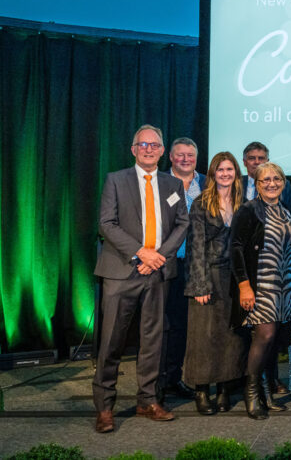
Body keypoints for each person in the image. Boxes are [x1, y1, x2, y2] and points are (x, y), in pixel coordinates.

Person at [92, 125, 189, 433]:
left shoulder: (173, 184)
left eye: (155, 145)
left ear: (162, 151)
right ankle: (105, 408)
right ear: (133, 150)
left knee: (153, 341)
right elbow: (107, 223)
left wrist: (158, 256)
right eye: (143, 144)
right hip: (122, 271)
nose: (149, 149)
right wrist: (140, 253)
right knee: (111, 341)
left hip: (158, 272)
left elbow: (182, 224)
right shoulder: (115, 180)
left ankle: (148, 401)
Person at [182, 151, 247, 415]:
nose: (225, 174)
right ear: (212, 173)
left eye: (229, 169)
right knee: (202, 337)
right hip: (207, 276)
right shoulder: (200, 203)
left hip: (234, 278)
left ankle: (223, 389)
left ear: (236, 173)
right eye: (220, 170)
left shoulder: (243, 202)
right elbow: (195, 246)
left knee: (231, 336)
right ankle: (201, 390)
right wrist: (199, 285)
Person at [230, 162, 291, 420]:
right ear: (256, 184)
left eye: (276, 179)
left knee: (273, 338)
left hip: (283, 285)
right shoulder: (248, 211)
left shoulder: (286, 211)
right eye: (265, 180)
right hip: (259, 284)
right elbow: (234, 248)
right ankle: (252, 392)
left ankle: (266, 393)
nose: (271, 183)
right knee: (264, 335)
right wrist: (244, 285)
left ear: (283, 182)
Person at [159, 137, 206, 402]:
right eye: (180, 155)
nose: (186, 159)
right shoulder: (161, 183)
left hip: (198, 265)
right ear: (172, 158)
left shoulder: (206, 183)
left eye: (190, 155)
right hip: (168, 263)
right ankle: (159, 380)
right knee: (166, 324)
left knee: (188, 327)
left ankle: (177, 377)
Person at [240, 141, 291, 214]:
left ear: (268, 162)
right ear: (244, 162)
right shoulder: (237, 183)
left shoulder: (284, 184)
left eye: (261, 158)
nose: (257, 162)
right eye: (252, 158)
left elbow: (289, 211)